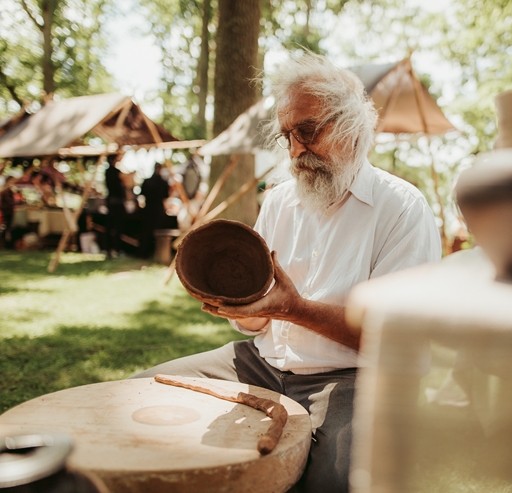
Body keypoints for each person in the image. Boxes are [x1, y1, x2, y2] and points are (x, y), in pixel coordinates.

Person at [133, 52, 442, 492]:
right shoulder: (279, 201)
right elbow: (260, 319)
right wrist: (241, 307)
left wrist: (295, 309)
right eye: (287, 136)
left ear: (353, 125)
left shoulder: (401, 208)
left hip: (351, 377)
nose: (297, 149)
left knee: (339, 478)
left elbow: (398, 338)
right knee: (140, 392)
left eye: (308, 131)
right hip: (261, 363)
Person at [138, 162, 171, 257]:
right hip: (157, 209)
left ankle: (145, 252)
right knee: (156, 231)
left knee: (147, 231)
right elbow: (166, 196)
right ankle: (152, 252)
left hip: (148, 208)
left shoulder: (148, 181)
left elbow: (142, 195)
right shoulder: (163, 182)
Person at [104, 153, 127, 259]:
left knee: (111, 227)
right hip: (116, 203)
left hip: (111, 202)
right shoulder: (115, 172)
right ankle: (116, 249)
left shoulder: (108, 172)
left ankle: (111, 249)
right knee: (117, 227)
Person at [1, 177, 17, 249]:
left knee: (8, 228)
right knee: (5, 228)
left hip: (9, 211)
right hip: (6, 212)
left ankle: (6, 244)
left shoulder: (10, 190)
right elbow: (8, 202)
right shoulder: (5, 191)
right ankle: (3, 244)